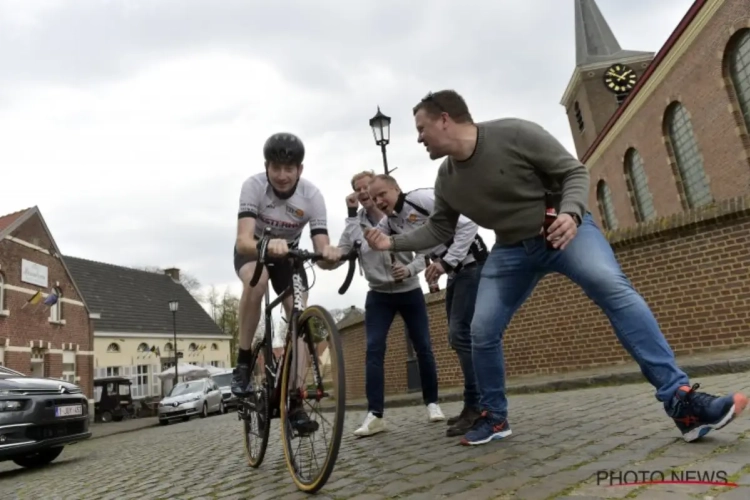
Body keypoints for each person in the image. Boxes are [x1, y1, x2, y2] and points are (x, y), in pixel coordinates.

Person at [364, 89, 748, 446]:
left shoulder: (515, 134)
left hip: (564, 231)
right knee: (481, 329)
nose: (418, 138)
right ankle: (494, 417)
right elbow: (440, 227)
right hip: (512, 250)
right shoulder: (447, 179)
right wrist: (392, 242)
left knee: (611, 286)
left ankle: (682, 402)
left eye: (421, 129)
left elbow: (574, 173)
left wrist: (571, 212)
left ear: (444, 119)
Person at [232, 132, 341, 435]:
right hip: (254, 251)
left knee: (300, 316)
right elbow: (242, 241)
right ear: (267, 167)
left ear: (299, 170)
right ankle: (242, 361)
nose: (282, 176)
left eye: (289, 169)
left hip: (289, 258)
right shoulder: (254, 186)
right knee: (258, 282)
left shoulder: (312, 196)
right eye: (276, 168)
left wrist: (331, 255)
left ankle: (295, 402)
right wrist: (268, 244)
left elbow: (320, 253)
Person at [367, 174, 488, 437]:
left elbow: (468, 223)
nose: (379, 201)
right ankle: (473, 404)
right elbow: (374, 240)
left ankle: (479, 406)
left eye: (382, 194)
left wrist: (446, 262)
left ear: (396, 189)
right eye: (374, 198)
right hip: (456, 272)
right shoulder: (390, 223)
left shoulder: (421, 198)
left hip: (473, 264)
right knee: (457, 338)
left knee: (461, 334)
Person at [336, 170, 445, 437]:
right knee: (373, 349)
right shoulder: (355, 224)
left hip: (409, 290)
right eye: (357, 189)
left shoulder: (398, 216)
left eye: (366, 187)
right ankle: (375, 415)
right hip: (379, 295)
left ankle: (432, 403)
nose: (363, 193)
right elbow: (343, 251)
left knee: (423, 346)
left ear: (375, 190)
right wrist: (328, 252)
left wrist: (410, 270)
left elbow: (424, 249)